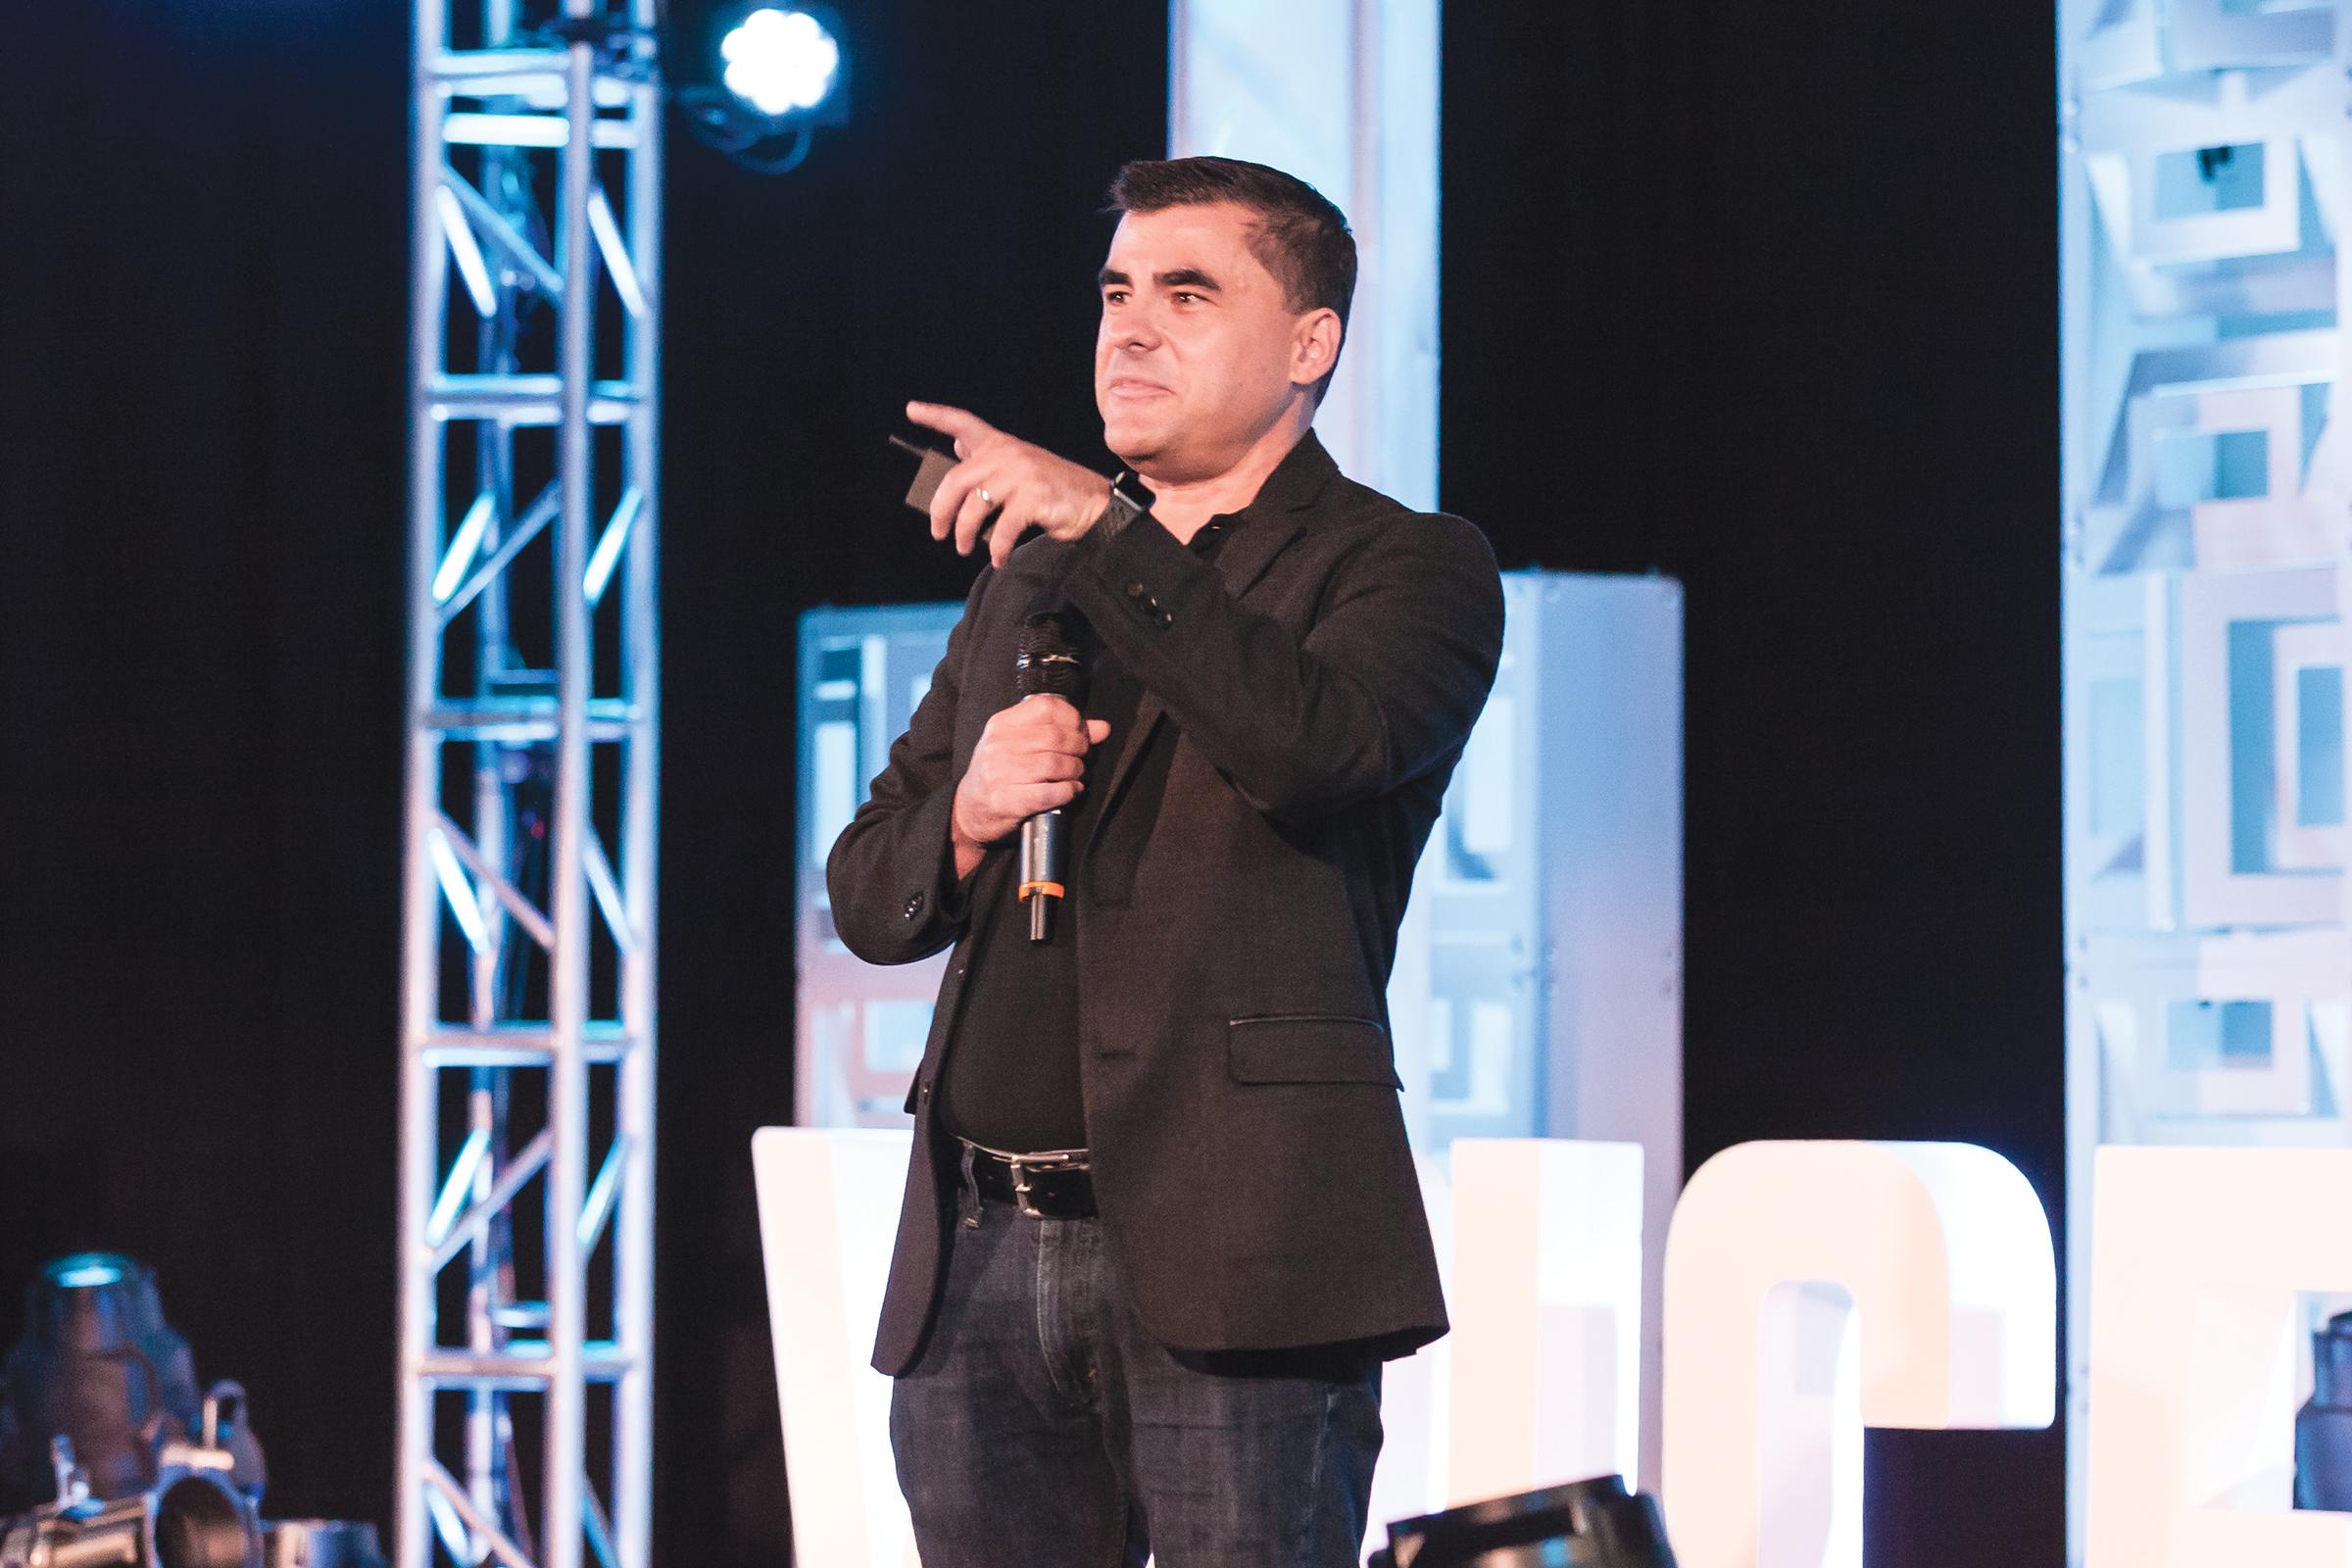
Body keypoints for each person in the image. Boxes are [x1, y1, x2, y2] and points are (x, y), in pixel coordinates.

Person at [825, 155, 1504, 1568]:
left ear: (1309, 345)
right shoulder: (1028, 579)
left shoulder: (1406, 564)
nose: (1130, 329)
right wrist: (969, 816)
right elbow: (870, 892)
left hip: (1237, 1259)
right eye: (1117, 292)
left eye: (1187, 295)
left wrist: (1105, 528)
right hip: (979, 1257)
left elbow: (1315, 748)